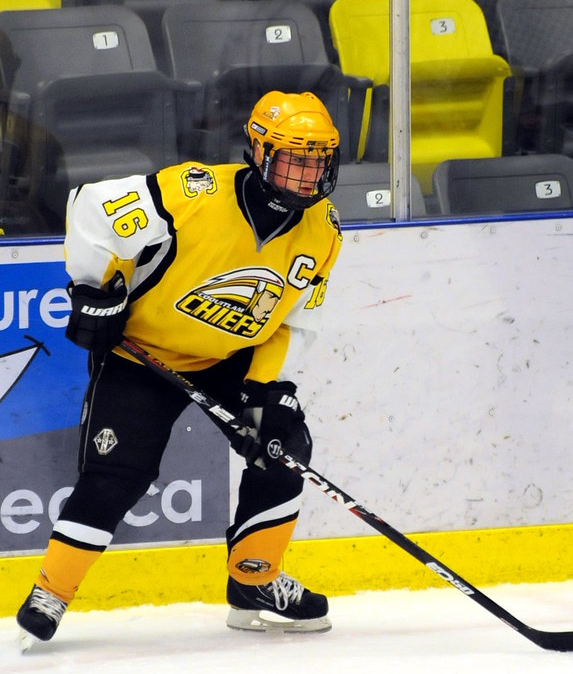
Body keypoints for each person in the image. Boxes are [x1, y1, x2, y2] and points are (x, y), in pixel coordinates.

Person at [16, 90, 342, 645]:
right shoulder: (195, 192)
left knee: (285, 447)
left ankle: (253, 582)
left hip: (231, 360)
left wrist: (265, 390)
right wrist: (96, 288)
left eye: (318, 161)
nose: (307, 175)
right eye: (294, 158)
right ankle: (53, 590)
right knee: (118, 472)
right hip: (142, 355)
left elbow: (291, 322)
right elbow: (91, 204)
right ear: (259, 153)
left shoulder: (323, 231)